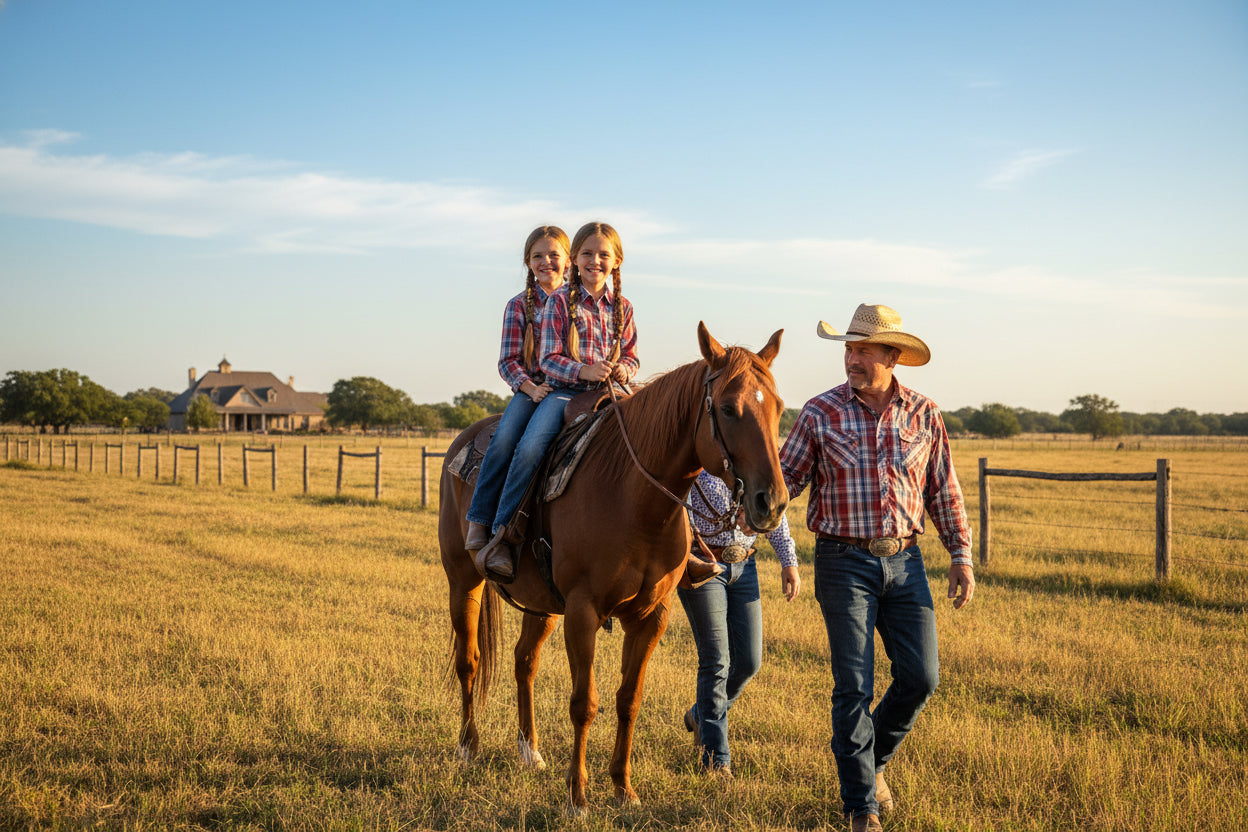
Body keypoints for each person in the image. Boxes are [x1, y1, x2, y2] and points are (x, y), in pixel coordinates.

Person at [779, 303, 975, 832]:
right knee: (853, 686)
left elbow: (943, 489)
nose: (852, 358)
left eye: (863, 349)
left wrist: (960, 554)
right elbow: (784, 481)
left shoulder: (925, 414)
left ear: (893, 356)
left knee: (920, 677)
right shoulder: (819, 413)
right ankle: (860, 808)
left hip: (907, 562)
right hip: (843, 563)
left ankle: (873, 760)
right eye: (848, 348)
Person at [475, 221, 639, 581]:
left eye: (603, 255)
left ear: (616, 261)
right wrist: (585, 371)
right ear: (576, 260)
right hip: (561, 389)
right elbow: (548, 360)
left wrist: (622, 371)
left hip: (611, 391)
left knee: (662, 433)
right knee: (527, 445)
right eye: (588, 254)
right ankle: (501, 531)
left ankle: (684, 542)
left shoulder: (622, 307)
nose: (595, 261)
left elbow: (631, 356)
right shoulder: (559, 302)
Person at [678, 469, 800, 777]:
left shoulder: (751, 457)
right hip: (703, 565)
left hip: (745, 565)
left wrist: (789, 561)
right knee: (716, 661)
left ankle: (700, 714)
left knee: (748, 661)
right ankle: (716, 762)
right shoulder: (698, 460)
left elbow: (772, 506)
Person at [465, 226, 570, 561]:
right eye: (537, 256)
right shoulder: (519, 306)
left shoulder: (580, 303)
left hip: (576, 387)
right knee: (509, 439)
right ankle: (483, 520)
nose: (546, 262)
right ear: (528, 262)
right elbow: (508, 360)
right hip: (534, 388)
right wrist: (531, 388)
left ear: (568, 261)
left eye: (554, 255)